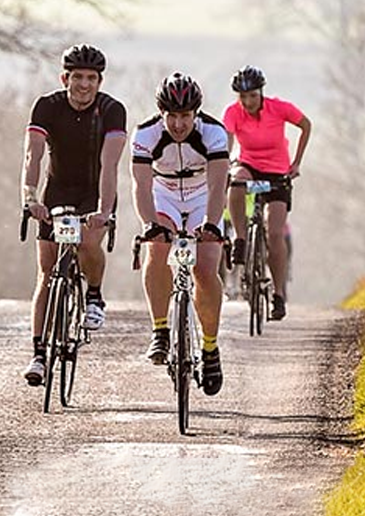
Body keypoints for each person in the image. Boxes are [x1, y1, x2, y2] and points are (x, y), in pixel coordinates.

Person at [20, 43, 127, 386]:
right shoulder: (47, 106)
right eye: (77, 77)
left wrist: (104, 211)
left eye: (91, 78)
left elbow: (109, 163)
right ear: (64, 77)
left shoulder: (112, 110)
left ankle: (94, 293)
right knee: (47, 271)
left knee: (89, 241)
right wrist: (29, 197)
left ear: (100, 81)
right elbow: (33, 156)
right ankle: (39, 354)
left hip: (95, 192)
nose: (84, 84)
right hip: (57, 190)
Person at [131, 72, 229, 396]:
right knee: (158, 250)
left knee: (206, 266)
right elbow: (142, 186)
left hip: (202, 197)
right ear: (161, 113)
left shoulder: (214, 132)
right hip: (164, 196)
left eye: (185, 116)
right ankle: (160, 329)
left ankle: (210, 348)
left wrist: (212, 224)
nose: (178, 124)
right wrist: (149, 224)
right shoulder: (145, 134)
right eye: (171, 116)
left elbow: (218, 185)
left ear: (196, 113)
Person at [223, 65, 311, 320]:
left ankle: (279, 294)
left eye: (253, 95)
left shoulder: (279, 108)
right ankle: (241, 239)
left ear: (261, 93)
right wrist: (226, 162)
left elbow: (306, 125)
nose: (248, 102)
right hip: (249, 165)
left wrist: (296, 163)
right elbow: (227, 140)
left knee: (274, 233)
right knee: (236, 182)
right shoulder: (233, 113)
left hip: (278, 172)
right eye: (243, 97)